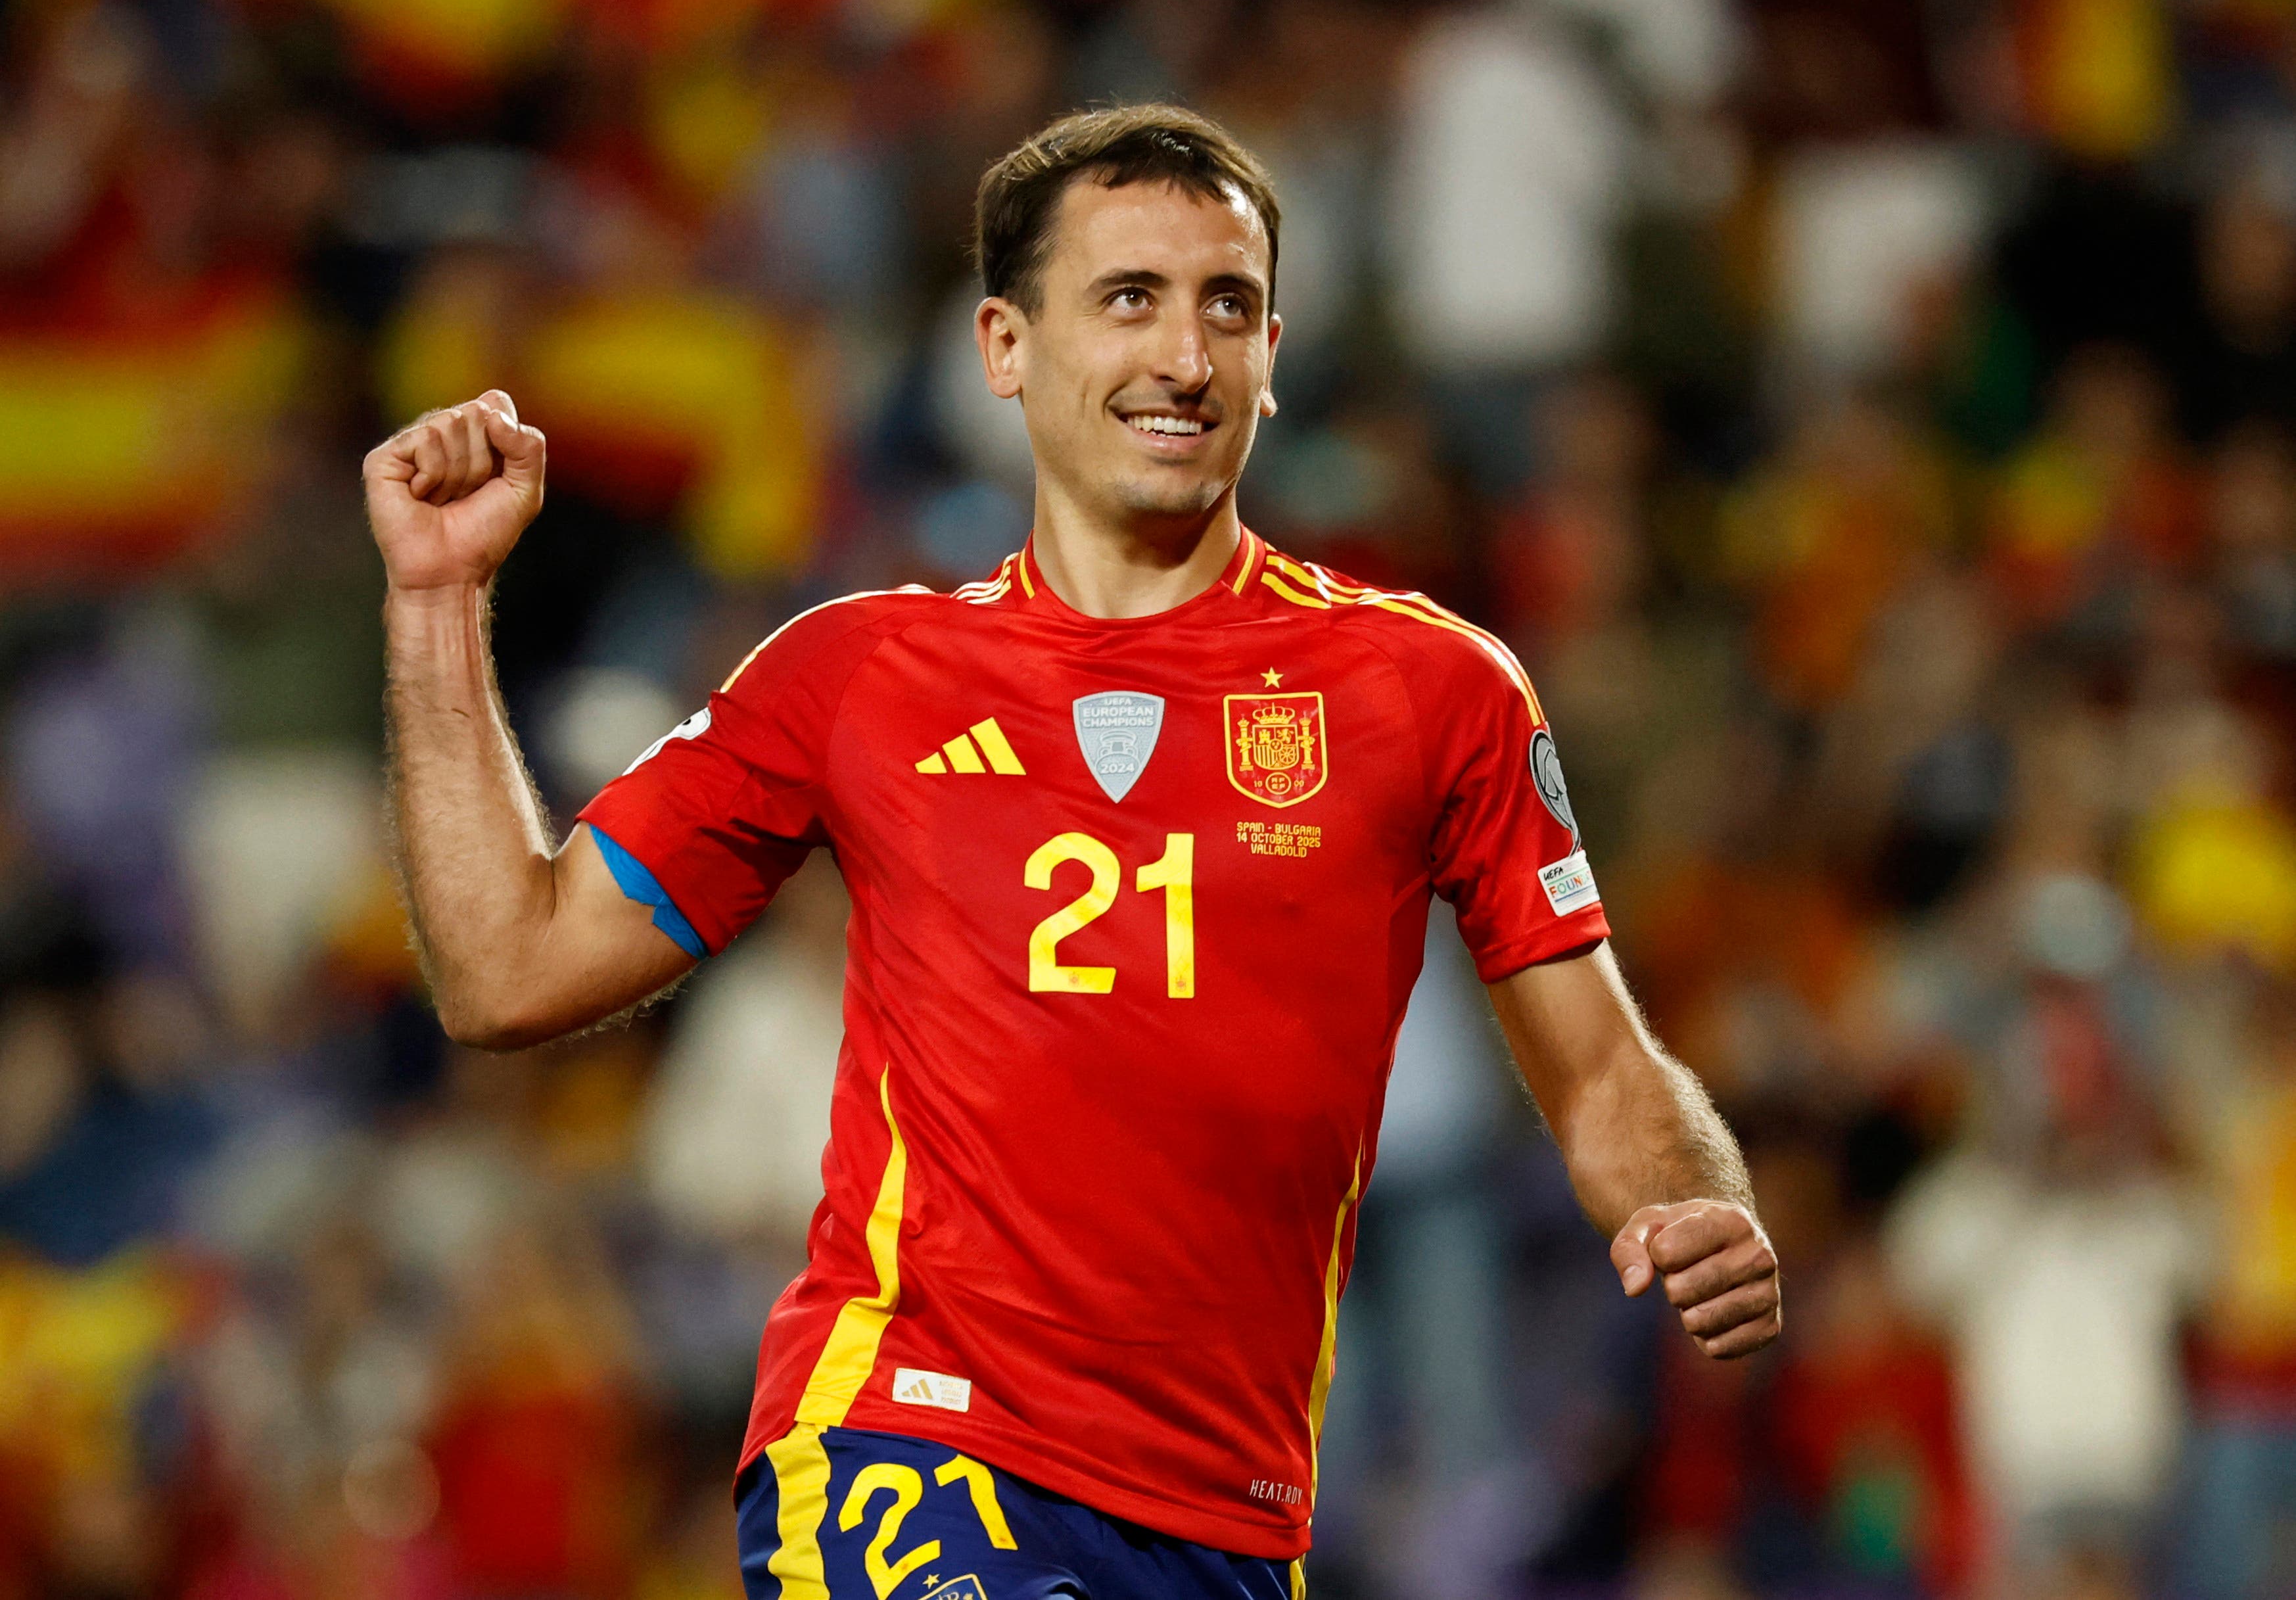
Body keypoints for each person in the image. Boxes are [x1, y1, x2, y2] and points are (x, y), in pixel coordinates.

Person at [363, 104, 1781, 1600]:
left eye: (1224, 307)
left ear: (1271, 355)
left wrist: (1692, 1198)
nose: (1183, 356)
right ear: (1004, 350)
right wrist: (437, 603)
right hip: (904, 1450)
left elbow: (1604, 1066)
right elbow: (506, 970)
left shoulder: (1428, 692)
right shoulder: (854, 677)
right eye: (1127, 299)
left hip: (1228, 1521)